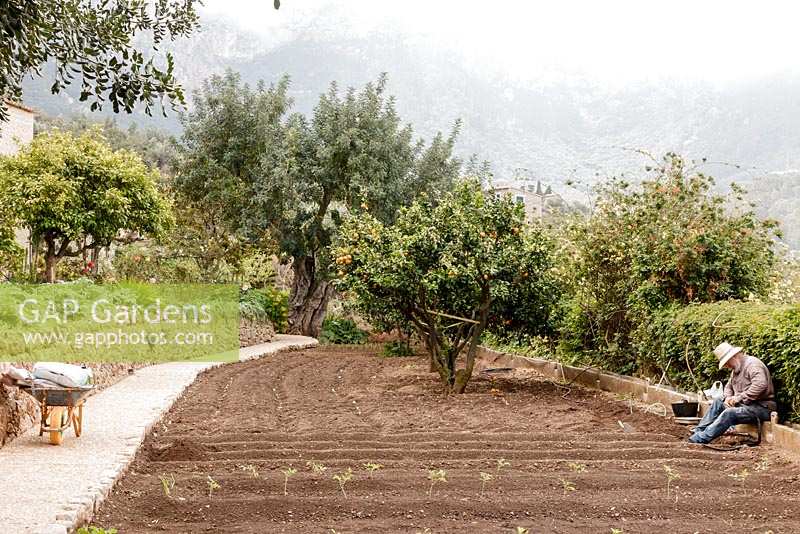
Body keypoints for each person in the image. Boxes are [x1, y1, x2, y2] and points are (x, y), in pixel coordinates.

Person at [688, 342, 776, 444]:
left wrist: (739, 398)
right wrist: (728, 398)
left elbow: (760, 385)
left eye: (727, 362)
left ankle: (700, 439)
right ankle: (699, 430)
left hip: (762, 407)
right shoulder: (736, 369)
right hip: (746, 405)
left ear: (734, 357)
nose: (726, 366)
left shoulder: (753, 365)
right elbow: (728, 387)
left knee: (730, 413)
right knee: (718, 402)